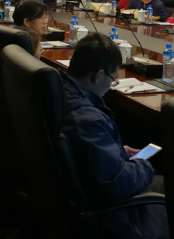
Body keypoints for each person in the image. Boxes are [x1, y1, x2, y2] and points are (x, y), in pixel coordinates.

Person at [60, 34, 168, 239]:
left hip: (85, 188)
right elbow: (115, 182)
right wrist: (145, 165)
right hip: (112, 213)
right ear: (98, 75)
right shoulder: (87, 119)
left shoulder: (62, 90)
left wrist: (117, 151)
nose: (111, 85)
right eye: (112, 79)